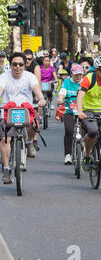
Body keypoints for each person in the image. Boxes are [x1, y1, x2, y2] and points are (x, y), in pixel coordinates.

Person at [0, 52, 47, 183]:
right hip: (7, 112)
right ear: (10, 65)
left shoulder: (29, 77)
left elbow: (36, 90)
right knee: (5, 139)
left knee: (34, 124)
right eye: (15, 64)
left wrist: (41, 99)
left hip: (26, 110)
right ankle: (6, 168)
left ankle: (29, 142)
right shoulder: (4, 77)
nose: (18, 67)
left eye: (21, 64)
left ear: (25, 65)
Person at [57, 64, 84, 164]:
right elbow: (62, 92)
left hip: (82, 109)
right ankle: (68, 154)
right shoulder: (67, 82)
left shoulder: (85, 82)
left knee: (89, 128)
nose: (78, 77)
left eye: (80, 75)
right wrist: (60, 99)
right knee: (69, 130)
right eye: (76, 74)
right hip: (69, 109)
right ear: (72, 73)